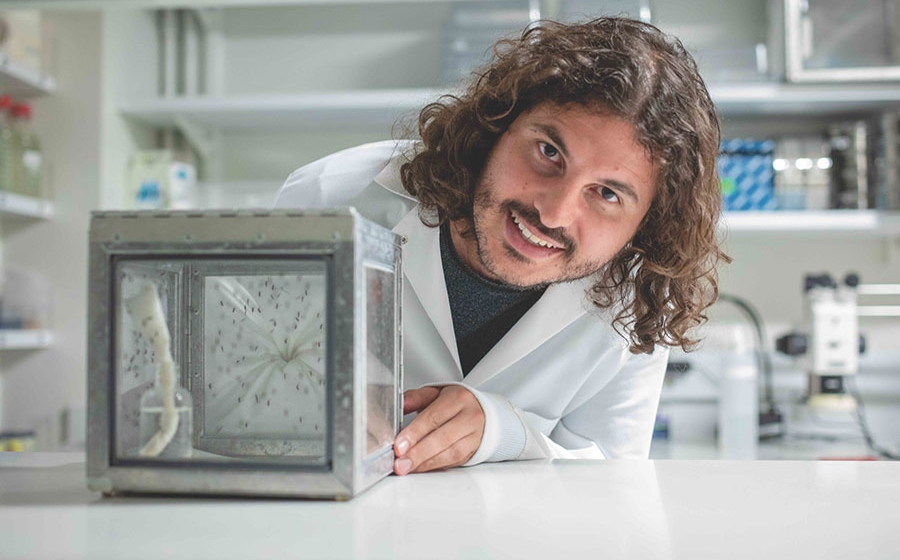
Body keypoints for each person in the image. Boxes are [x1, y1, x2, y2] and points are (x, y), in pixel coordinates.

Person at [275, 17, 728, 475]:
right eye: (549, 152)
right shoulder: (328, 198)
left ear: (647, 224)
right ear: (496, 126)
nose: (553, 213)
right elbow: (244, 402)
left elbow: (613, 486)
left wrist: (506, 433)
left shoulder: (638, 302)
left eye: (607, 194)